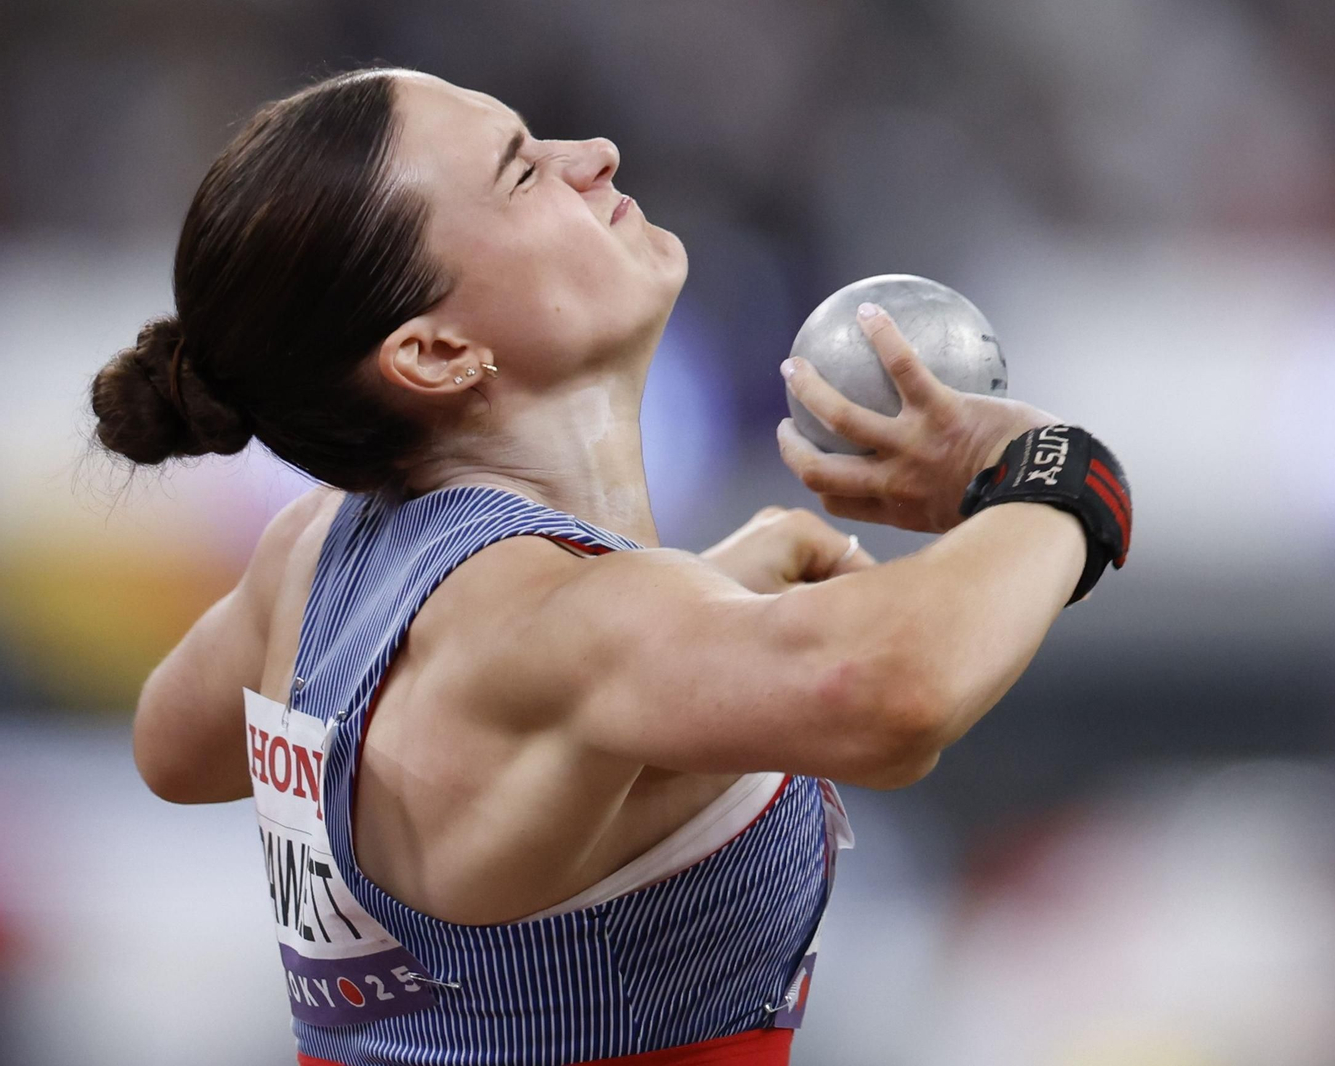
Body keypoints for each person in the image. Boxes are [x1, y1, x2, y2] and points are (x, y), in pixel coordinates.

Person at [89, 68, 1132, 1066]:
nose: (592, 153)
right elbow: (895, 696)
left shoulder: (316, 553)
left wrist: (678, 647)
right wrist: (1051, 474)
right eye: (521, 172)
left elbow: (173, 747)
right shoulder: (573, 627)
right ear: (437, 354)